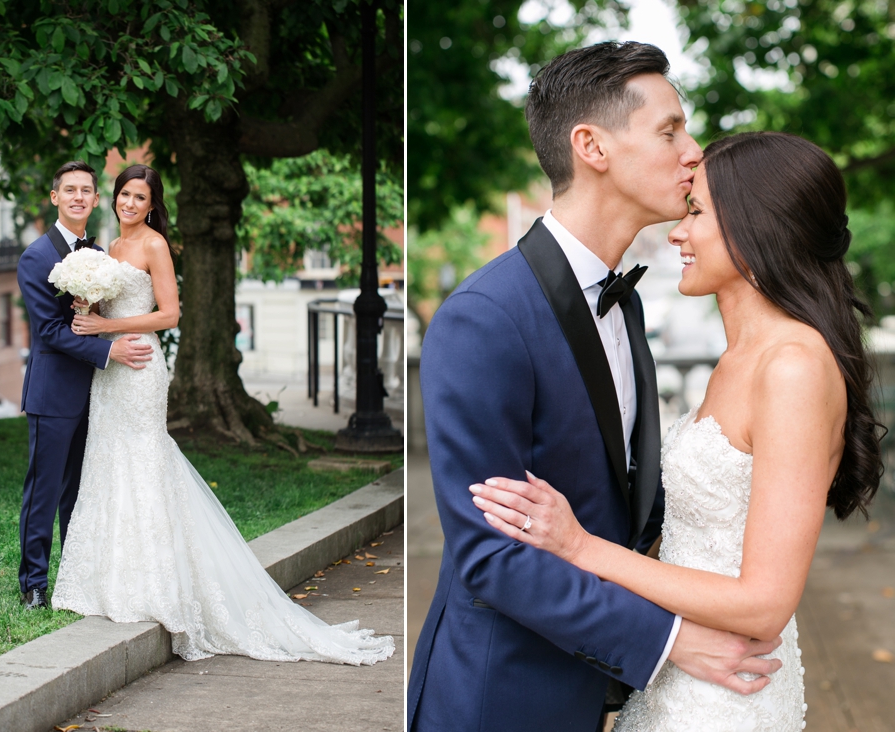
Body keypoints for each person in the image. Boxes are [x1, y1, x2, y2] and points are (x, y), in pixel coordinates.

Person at [408, 42, 784, 732]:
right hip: (501, 698)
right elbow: (490, 555)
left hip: (593, 696)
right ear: (592, 146)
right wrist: (667, 641)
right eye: (670, 130)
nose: (694, 151)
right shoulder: (483, 319)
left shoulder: (625, 302)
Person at [470, 131, 883, 730]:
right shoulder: (739, 358)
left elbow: (765, 603)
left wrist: (581, 546)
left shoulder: (793, 366)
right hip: (680, 676)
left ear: (755, 228)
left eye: (696, 212)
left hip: (727, 697)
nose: (677, 232)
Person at [50, 164, 394, 666]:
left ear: (152, 205)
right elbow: (101, 311)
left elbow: (171, 314)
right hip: (110, 368)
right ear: (114, 198)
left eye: (139, 197)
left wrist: (110, 322)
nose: (129, 203)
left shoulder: (153, 245)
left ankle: (157, 585)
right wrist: (88, 308)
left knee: (144, 459)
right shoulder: (106, 248)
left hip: (141, 364)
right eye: (124, 194)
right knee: (107, 460)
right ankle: (107, 581)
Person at [16, 161, 153, 610]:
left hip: (99, 391)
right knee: (46, 488)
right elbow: (49, 332)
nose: (78, 196)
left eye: (86, 190)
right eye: (69, 189)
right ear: (55, 197)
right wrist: (108, 351)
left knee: (83, 488)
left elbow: (100, 317)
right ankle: (34, 582)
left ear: (96, 200)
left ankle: (77, 576)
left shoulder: (99, 255)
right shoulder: (36, 256)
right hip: (54, 392)